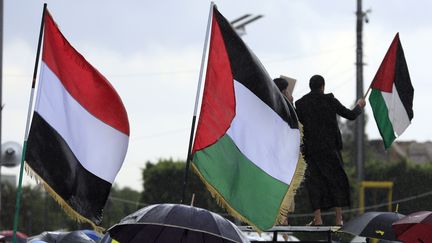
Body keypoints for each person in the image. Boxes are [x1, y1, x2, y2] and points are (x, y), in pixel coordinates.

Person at [295, 74, 366, 226]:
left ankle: (318, 218)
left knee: (314, 183)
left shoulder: (301, 104)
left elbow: (296, 125)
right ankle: (338, 218)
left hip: (312, 151)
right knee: (336, 181)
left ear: (310, 86)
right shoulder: (329, 100)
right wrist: (359, 106)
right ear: (323, 86)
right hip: (330, 150)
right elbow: (350, 115)